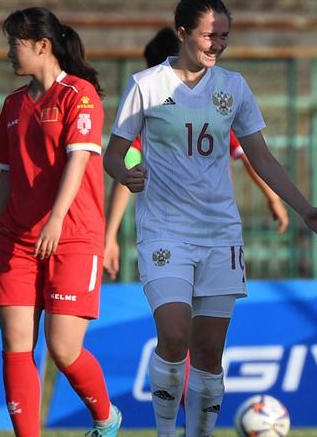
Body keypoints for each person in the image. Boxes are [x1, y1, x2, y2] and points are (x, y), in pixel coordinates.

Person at [104, 0, 317, 437]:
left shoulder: (233, 87)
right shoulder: (146, 85)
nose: (218, 44)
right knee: (173, 335)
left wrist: (306, 209)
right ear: (183, 32)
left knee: (209, 352)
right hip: (164, 230)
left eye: (225, 35)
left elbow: (261, 156)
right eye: (211, 34)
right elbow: (115, 151)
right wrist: (130, 171)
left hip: (219, 234)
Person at [0, 7, 121, 437]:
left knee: (63, 347)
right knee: (16, 342)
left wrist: (56, 219)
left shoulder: (78, 95)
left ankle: (106, 418)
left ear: (40, 45)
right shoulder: (11, 105)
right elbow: (6, 178)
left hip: (73, 236)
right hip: (16, 239)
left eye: (14, 43)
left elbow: (79, 161)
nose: (9, 52)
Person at [103, 28, 288, 281]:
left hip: (215, 230)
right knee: (175, 314)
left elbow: (253, 156)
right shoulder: (148, 115)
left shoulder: (215, 109)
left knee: (208, 315)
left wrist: (274, 197)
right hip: (168, 232)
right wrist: (110, 235)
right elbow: (129, 174)